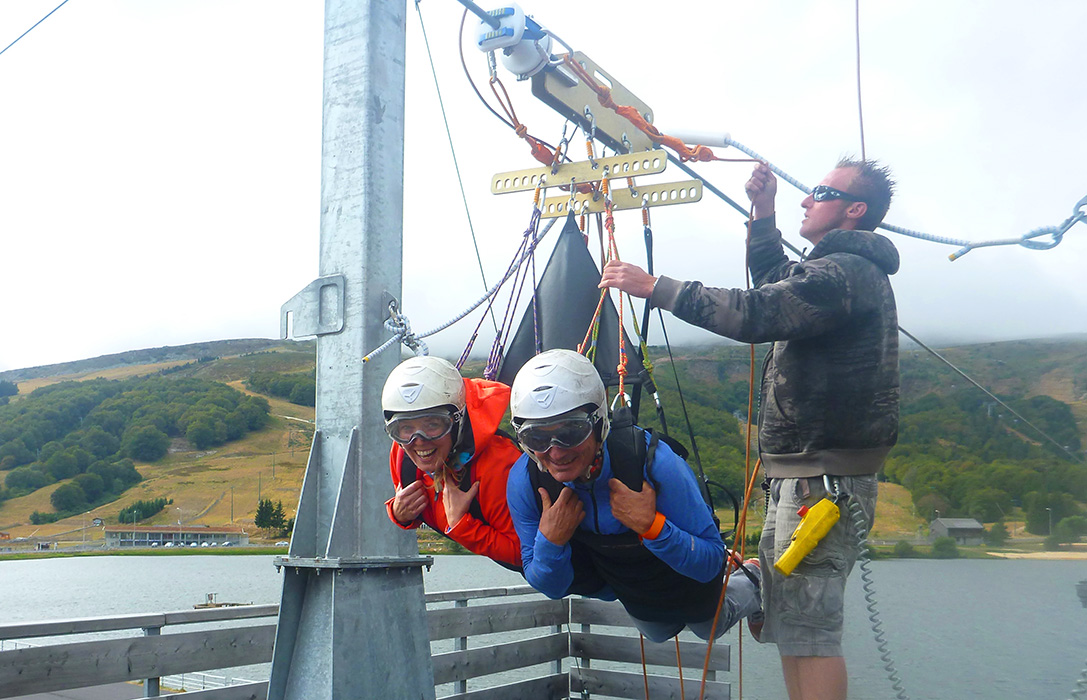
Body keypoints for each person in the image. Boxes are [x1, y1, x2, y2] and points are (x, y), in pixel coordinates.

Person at [600, 159, 898, 699]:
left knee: (810, 632)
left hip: (822, 484)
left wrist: (655, 287)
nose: (807, 200)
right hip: (805, 481)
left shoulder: (846, 274)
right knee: (792, 626)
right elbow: (776, 285)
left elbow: (757, 312)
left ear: (855, 210)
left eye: (821, 192)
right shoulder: (830, 274)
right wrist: (763, 215)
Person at [505, 348, 761, 643]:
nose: (557, 452)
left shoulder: (654, 463)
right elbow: (551, 587)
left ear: (599, 422)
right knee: (658, 633)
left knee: (709, 627)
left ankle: (754, 579)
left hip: (686, 575)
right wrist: (551, 541)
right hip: (632, 585)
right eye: (536, 437)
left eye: (571, 432)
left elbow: (710, 562)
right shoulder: (526, 482)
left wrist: (651, 526)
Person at [382, 356, 522, 570]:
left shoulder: (499, 467)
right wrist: (399, 514)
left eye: (432, 424)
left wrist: (460, 524)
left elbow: (526, 556)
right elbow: (422, 508)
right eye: (404, 428)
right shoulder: (404, 457)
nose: (418, 440)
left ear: (458, 421)